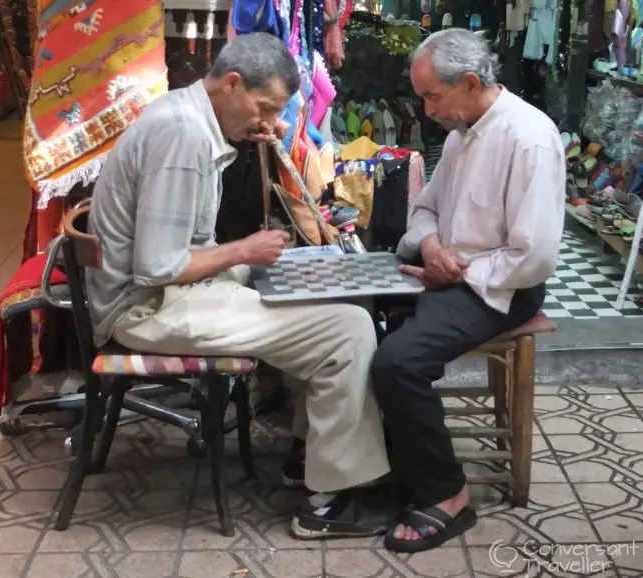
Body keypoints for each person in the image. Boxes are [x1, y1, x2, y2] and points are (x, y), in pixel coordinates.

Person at [85, 32, 394, 539]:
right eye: (265, 106)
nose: (269, 122)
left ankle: (312, 460)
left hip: (165, 296)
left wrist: (253, 257)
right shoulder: (182, 137)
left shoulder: (189, 118)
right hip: (146, 309)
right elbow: (157, 266)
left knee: (320, 294)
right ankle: (330, 503)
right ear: (231, 84)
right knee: (348, 328)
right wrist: (245, 252)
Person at [371, 28, 565, 553]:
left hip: (503, 288)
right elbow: (425, 208)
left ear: (472, 82)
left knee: (398, 362)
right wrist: (432, 246)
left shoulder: (528, 137)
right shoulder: (462, 131)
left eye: (433, 95)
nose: (426, 107)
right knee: (363, 322)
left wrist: (455, 272)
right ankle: (399, 459)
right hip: (453, 273)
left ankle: (447, 495)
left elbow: (535, 256)